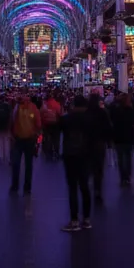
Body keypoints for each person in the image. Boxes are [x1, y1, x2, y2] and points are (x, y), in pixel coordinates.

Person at [59, 95, 94, 231]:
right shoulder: (90, 120)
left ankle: (74, 221)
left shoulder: (67, 119)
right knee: (85, 187)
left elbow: (58, 128)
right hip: (86, 155)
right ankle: (86, 219)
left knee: (72, 187)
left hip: (70, 155)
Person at [10, 95, 41, 194]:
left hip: (20, 139)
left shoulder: (17, 107)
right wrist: (38, 139)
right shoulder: (32, 108)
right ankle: (26, 187)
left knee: (17, 164)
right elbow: (38, 124)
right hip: (27, 139)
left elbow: (12, 121)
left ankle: (16, 186)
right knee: (28, 165)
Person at [86, 93, 112, 201]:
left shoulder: (86, 113)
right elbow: (108, 127)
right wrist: (108, 141)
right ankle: (98, 189)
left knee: (89, 166)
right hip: (100, 143)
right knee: (99, 167)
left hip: (87, 143)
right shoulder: (102, 112)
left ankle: (87, 186)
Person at [111, 92, 134, 185]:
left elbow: (112, 121)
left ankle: (122, 177)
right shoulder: (130, 110)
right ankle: (128, 176)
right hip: (128, 136)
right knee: (128, 156)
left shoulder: (116, 110)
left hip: (118, 137)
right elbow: (133, 121)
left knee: (120, 158)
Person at [40, 95, 62, 161]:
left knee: (48, 139)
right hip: (56, 124)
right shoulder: (57, 104)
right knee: (56, 139)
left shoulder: (44, 105)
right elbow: (60, 114)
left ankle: (49, 154)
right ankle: (56, 153)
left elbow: (41, 114)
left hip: (46, 125)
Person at [0, 95, 13, 163]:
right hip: (6, 126)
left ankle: (1, 155)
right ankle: (7, 156)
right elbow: (10, 116)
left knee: (0, 141)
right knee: (6, 141)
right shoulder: (7, 106)